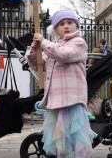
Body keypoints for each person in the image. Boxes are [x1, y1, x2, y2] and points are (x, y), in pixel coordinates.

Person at [27, 9, 96, 157]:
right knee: (59, 142)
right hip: (56, 101)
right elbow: (38, 64)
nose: (66, 26)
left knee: (73, 140)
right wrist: (34, 50)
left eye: (70, 23)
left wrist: (44, 43)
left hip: (72, 100)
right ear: (56, 29)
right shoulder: (53, 45)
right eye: (61, 24)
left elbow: (64, 54)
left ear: (76, 26)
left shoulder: (79, 43)